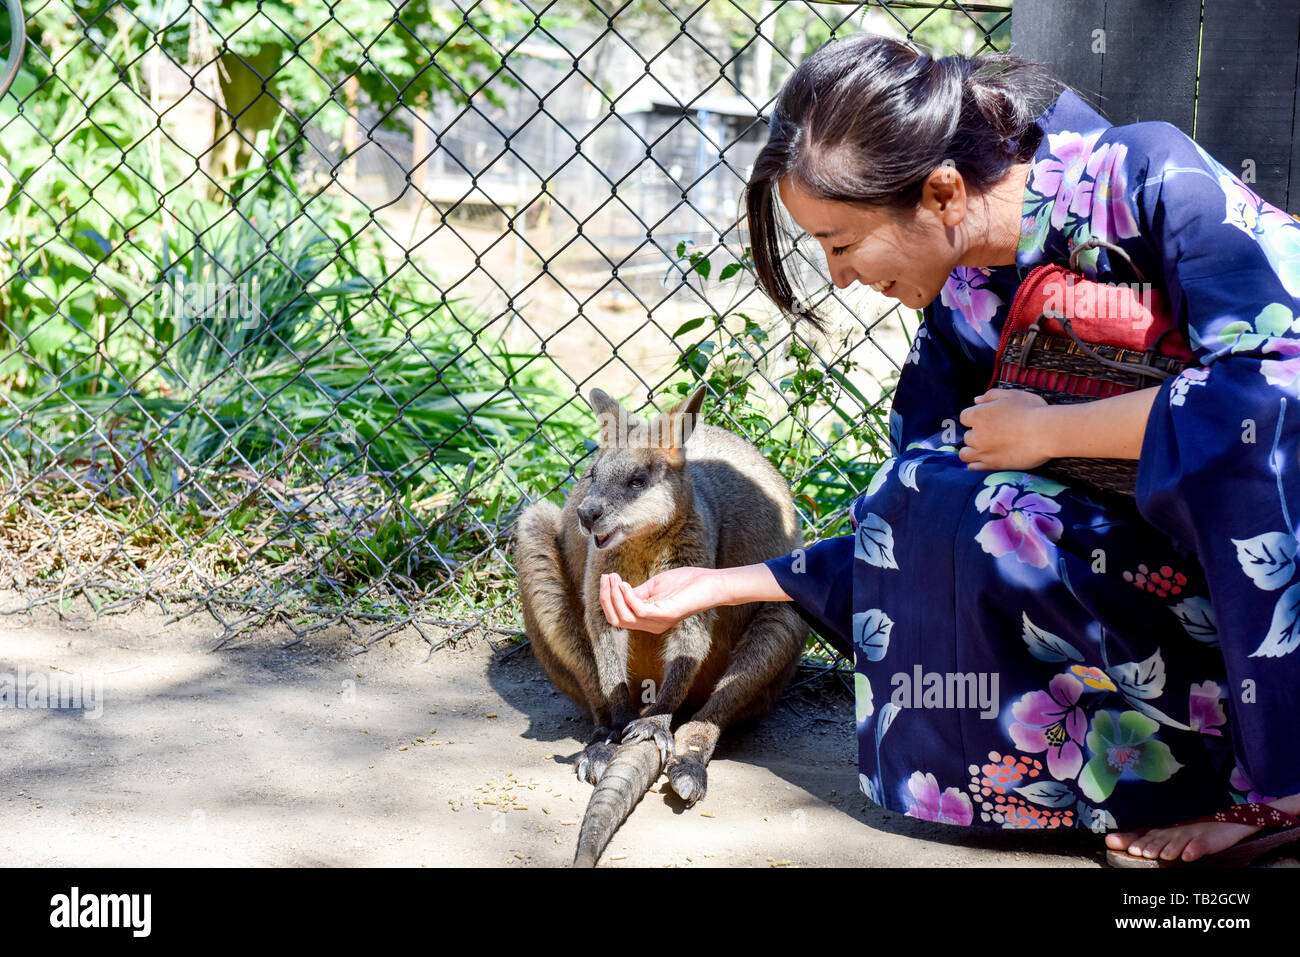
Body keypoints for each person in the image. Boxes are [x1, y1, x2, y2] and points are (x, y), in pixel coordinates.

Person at [596, 33, 1300, 866]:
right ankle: (1193, 773)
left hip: (1275, 574)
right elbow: (908, 521)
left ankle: (1283, 788)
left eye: (842, 242)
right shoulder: (966, 293)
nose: (839, 278)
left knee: (1248, 428)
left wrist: (1051, 432)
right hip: (1192, 603)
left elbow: (1276, 393)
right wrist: (724, 581)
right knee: (929, 487)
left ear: (940, 192)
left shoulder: (1149, 178)